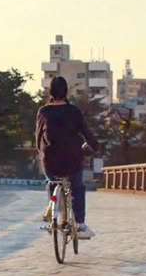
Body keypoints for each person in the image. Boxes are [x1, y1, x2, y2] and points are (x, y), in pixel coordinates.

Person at [35, 75, 100, 239]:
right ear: (66, 92)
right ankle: (80, 224)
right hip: (72, 160)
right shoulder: (74, 111)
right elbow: (86, 133)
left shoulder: (43, 112)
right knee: (77, 187)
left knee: (51, 181)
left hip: (50, 161)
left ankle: (52, 209)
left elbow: (37, 138)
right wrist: (96, 147)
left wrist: (41, 152)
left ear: (50, 91)